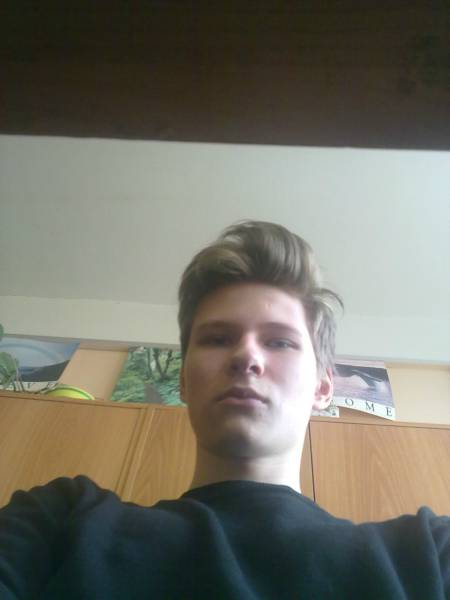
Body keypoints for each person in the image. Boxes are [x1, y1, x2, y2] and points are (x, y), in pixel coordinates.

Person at [0, 220, 448, 599]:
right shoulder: (59, 523)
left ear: (323, 385)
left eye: (279, 342)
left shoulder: (428, 553)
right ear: (182, 381)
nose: (246, 356)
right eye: (217, 339)